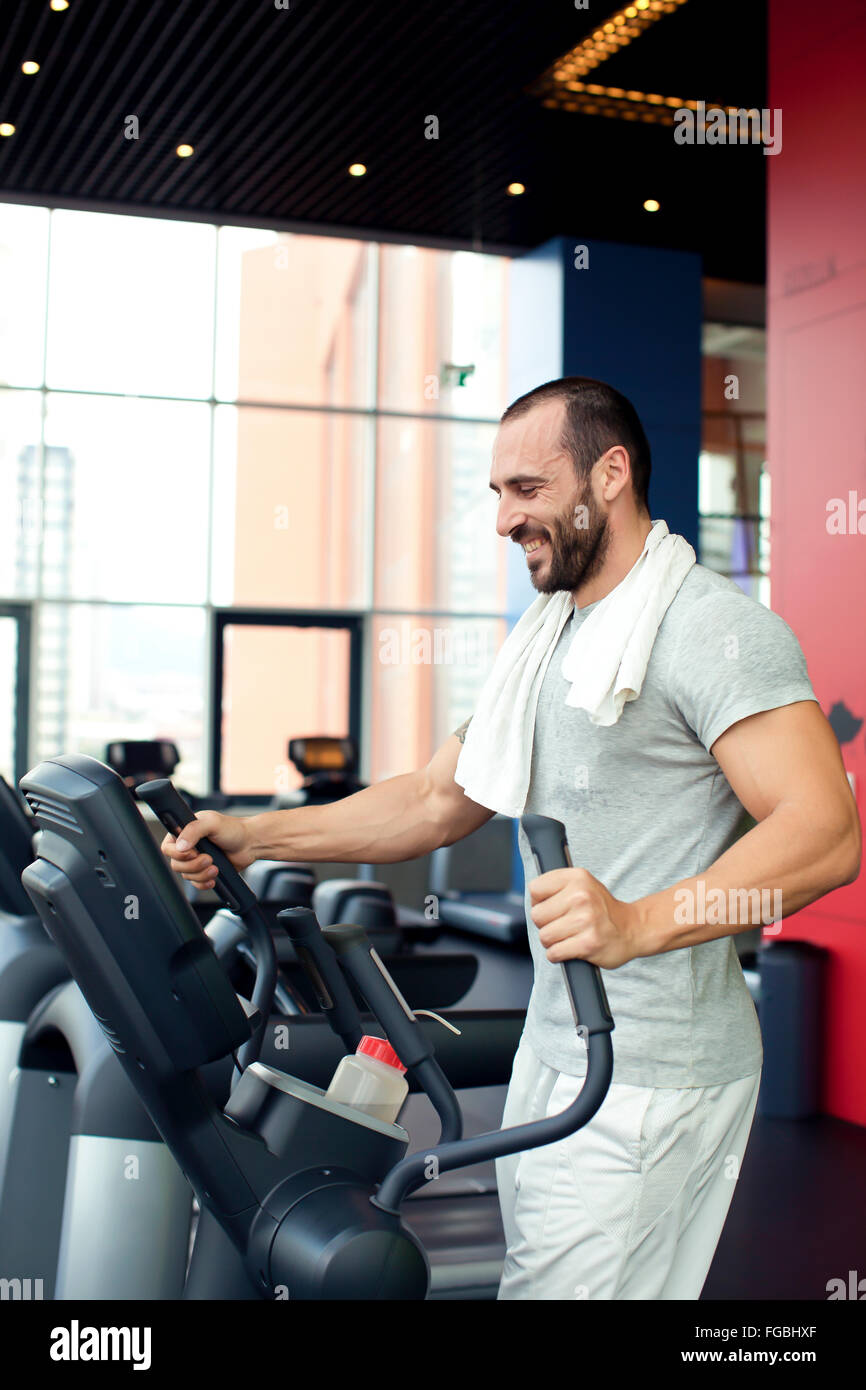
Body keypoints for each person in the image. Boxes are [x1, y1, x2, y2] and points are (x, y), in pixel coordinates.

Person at [161, 376, 860, 1300]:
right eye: (496, 494)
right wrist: (253, 835)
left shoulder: (711, 630)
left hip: (652, 1074)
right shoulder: (548, 636)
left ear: (609, 475)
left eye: (526, 490)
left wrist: (639, 923)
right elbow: (433, 800)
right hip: (560, 1048)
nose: (503, 520)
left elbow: (825, 835)